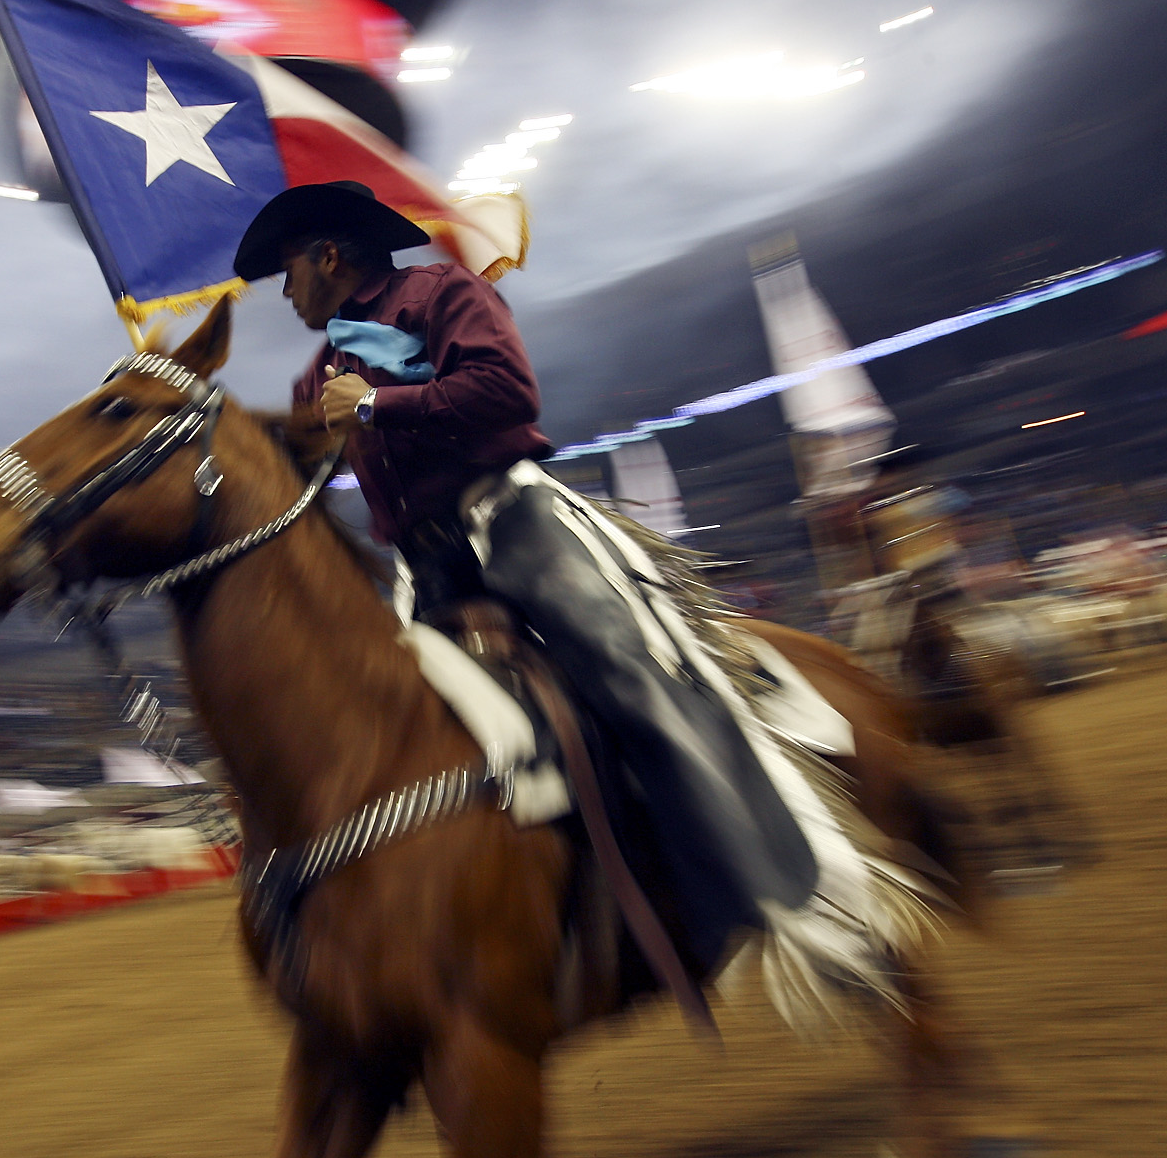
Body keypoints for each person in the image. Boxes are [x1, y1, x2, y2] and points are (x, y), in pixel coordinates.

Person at [233, 181, 820, 971]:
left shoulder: (441, 292)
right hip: (426, 567)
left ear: (328, 256)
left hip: (513, 522)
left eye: (288, 272)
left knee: (623, 670)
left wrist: (377, 404)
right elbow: (295, 457)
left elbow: (507, 390)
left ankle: (753, 881)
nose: (286, 291)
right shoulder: (322, 370)